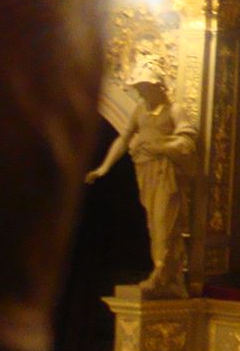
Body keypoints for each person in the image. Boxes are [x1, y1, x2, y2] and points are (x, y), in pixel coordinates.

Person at [85, 60, 198, 298]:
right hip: (145, 172)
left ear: (157, 86)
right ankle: (167, 273)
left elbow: (187, 140)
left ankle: (162, 274)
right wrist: (104, 168)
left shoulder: (173, 110)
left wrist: (162, 146)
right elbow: (123, 139)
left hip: (165, 173)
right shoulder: (140, 111)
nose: (141, 93)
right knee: (153, 225)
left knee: (164, 223)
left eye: (144, 88)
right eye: (139, 89)